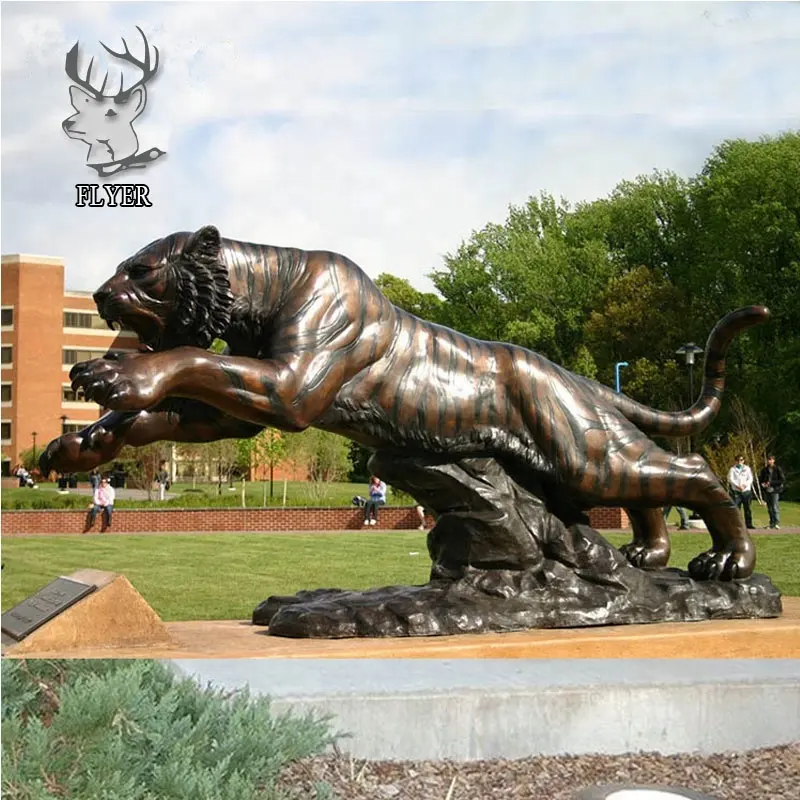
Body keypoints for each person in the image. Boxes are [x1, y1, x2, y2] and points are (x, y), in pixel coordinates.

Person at [727, 454, 755, 530]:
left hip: (746, 491)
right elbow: (731, 479)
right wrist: (737, 486)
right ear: (735, 461)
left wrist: (745, 485)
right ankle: (737, 524)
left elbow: (750, 478)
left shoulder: (747, 468)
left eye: (741, 460)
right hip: (736, 491)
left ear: (743, 461)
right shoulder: (732, 469)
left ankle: (749, 524)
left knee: (747, 508)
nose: (740, 462)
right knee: (736, 508)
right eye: (738, 460)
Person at [759, 454, 786, 530]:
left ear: (774, 460)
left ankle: (776, 523)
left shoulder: (777, 469)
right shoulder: (764, 470)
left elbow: (782, 480)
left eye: (771, 459)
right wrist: (763, 484)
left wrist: (771, 483)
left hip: (775, 490)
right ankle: (771, 523)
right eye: (768, 459)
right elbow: (761, 479)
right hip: (767, 490)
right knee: (769, 507)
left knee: (775, 506)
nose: (769, 461)